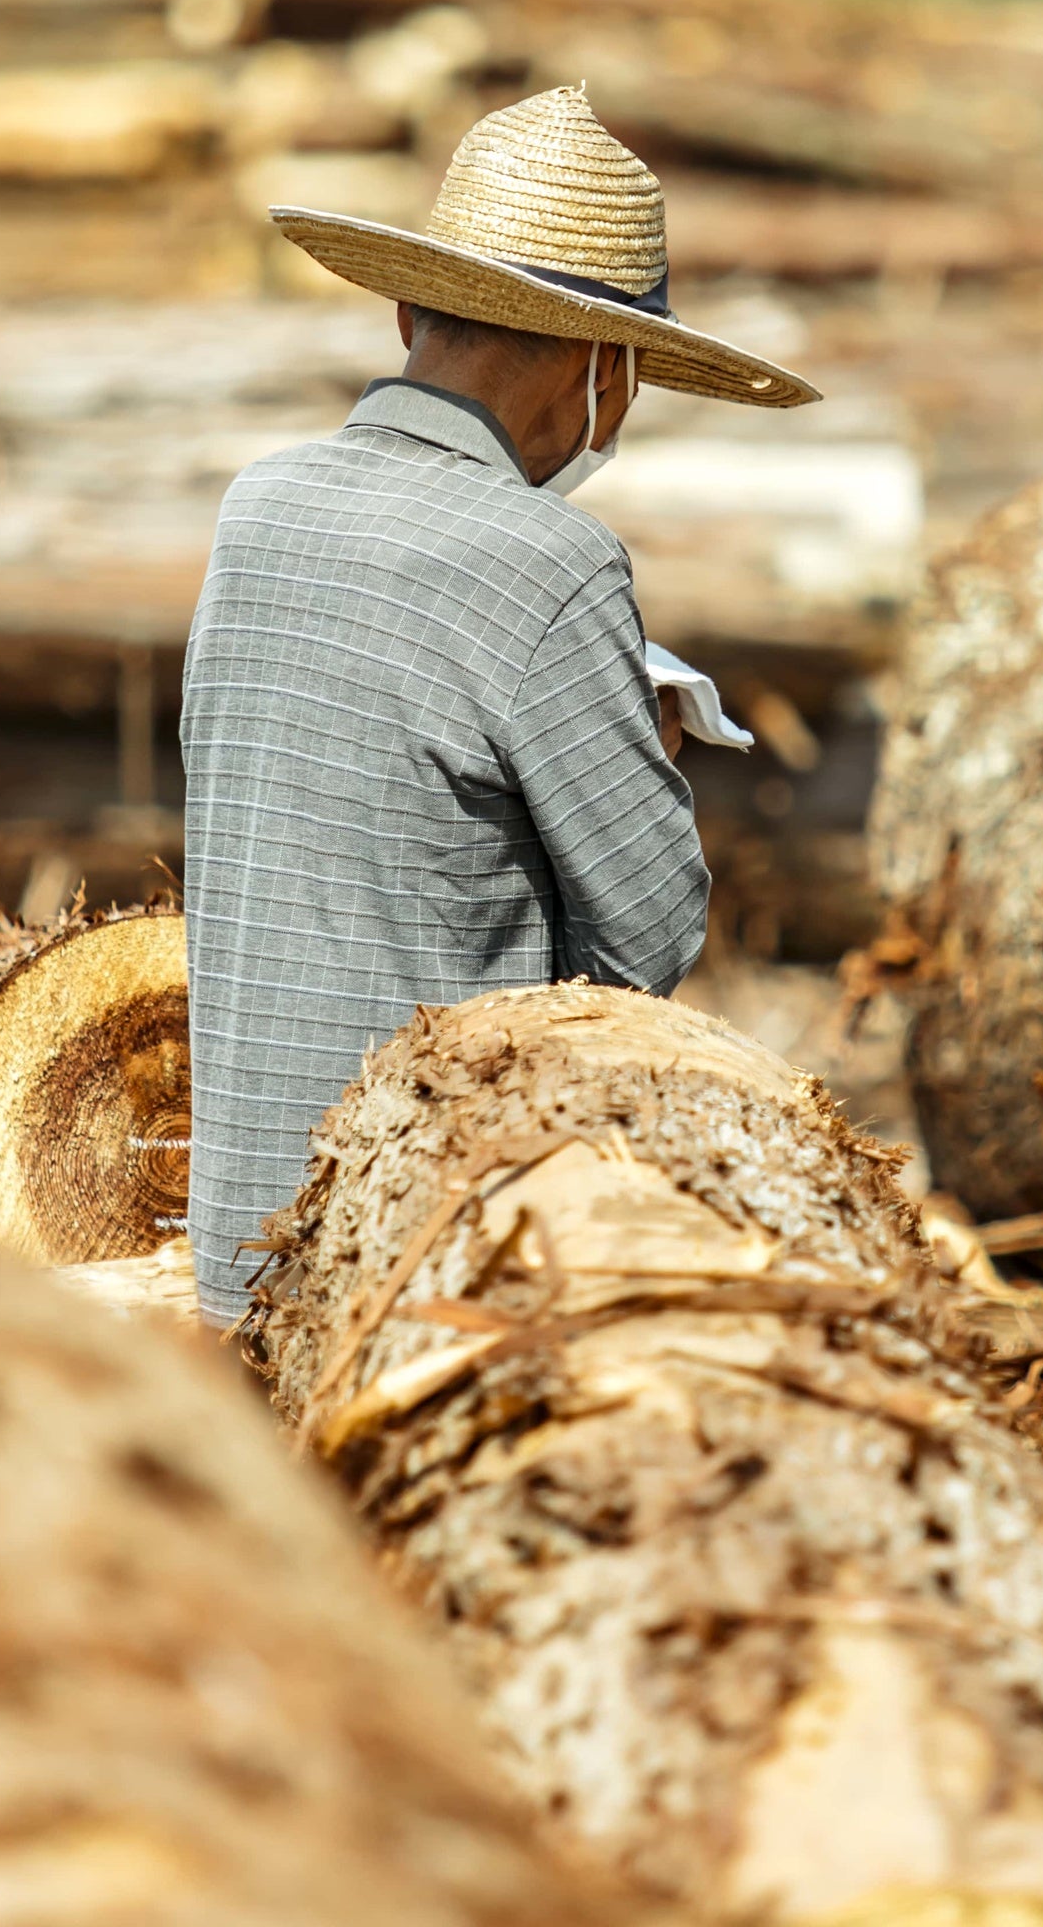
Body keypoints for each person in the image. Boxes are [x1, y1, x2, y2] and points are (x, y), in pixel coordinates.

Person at [178, 84, 823, 1324]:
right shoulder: (554, 561)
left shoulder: (257, 507)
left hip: (236, 1241)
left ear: (408, 311)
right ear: (601, 367)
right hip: (422, 1260)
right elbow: (646, 944)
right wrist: (637, 751)